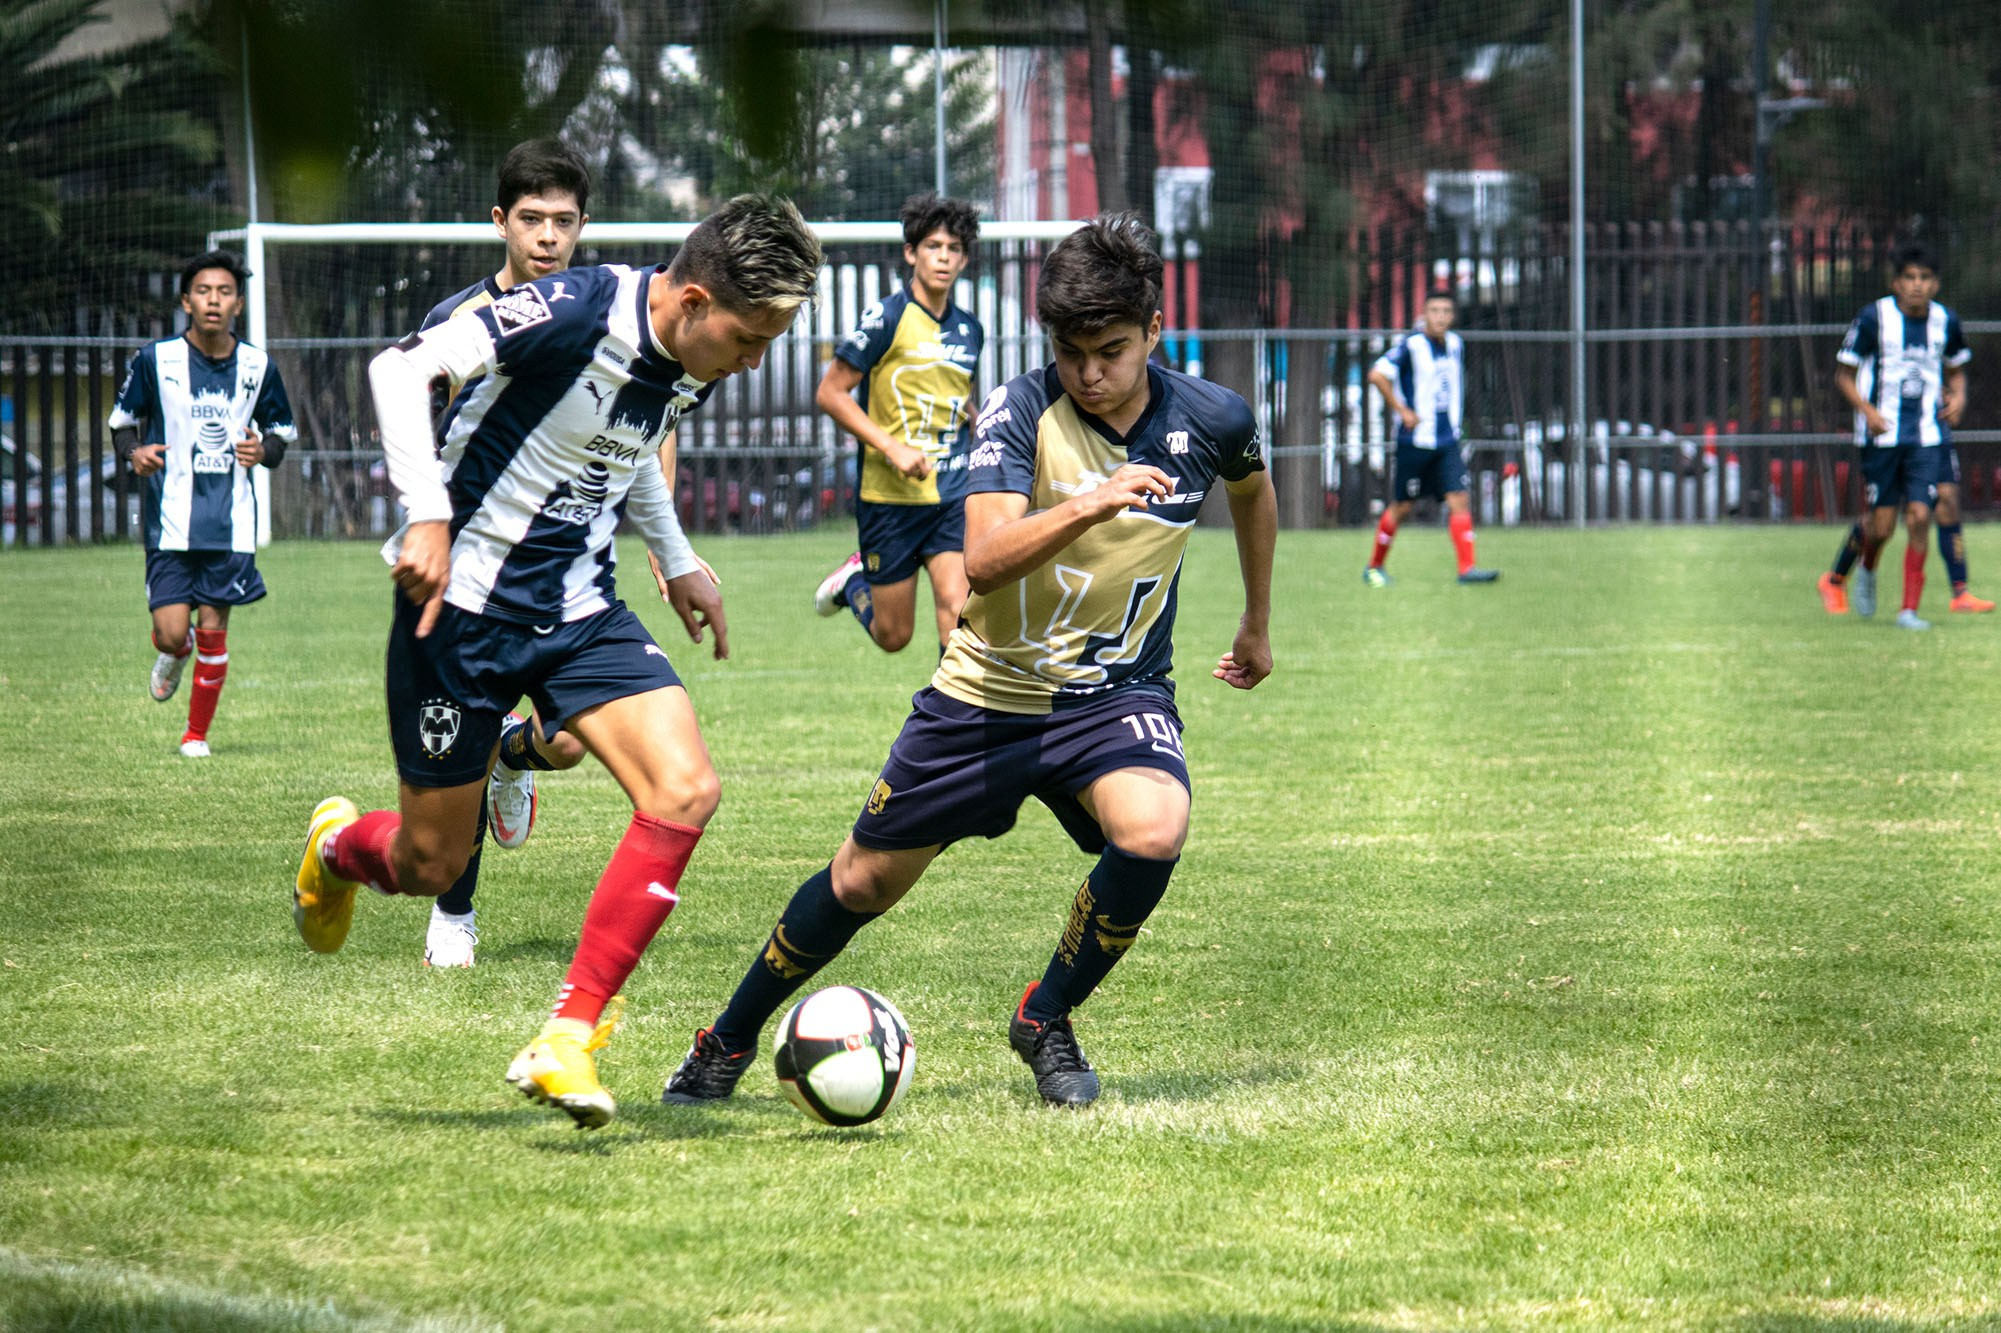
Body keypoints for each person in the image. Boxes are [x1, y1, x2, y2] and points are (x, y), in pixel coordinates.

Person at [663, 213, 1276, 1110]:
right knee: (861, 880)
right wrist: (1090, 501)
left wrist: (1255, 620)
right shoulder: (1019, 411)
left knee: (1153, 830)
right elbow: (981, 561)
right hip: (985, 696)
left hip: (1115, 695)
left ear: (1153, 330)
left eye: (1110, 351)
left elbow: (1253, 492)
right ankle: (726, 1038)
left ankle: (1045, 1017)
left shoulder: (1212, 416)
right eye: (1070, 353)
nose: (1090, 373)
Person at [292, 194, 824, 1130]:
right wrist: (427, 513)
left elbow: (628, 449)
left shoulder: (690, 358)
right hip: (458, 611)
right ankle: (337, 849)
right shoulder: (573, 309)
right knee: (429, 862)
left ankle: (568, 1034)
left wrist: (675, 556)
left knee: (685, 789)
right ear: (693, 301)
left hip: (579, 609)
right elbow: (398, 368)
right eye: (748, 339)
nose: (752, 361)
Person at [410, 138, 597, 968]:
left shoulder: (601, 316)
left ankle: (511, 757)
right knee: (456, 751)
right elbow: (411, 420)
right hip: (472, 566)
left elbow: (646, 420)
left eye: (563, 220)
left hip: (565, 563)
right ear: (500, 222)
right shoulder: (456, 321)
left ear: (581, 225)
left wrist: (664, 539)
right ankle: (454, 912)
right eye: (531, 219)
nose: (548, 236)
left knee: (568, 740)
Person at [109, 250, 296, 758]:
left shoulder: (258, 365)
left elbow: (280, 433)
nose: (214, 300)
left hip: (230, 524)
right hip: (169, 522)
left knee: (215, 626)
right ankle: (177, 650)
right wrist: (135, 453)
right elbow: (122, 423)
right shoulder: (156, 359)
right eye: (204, 291)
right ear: (186, 301)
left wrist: (263, 451)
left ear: (239, 303)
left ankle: (196, 736)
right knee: (172, 634)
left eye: (225, 292)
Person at [811, 193, 985, 653]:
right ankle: (853, 582)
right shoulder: (886, 317)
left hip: (951, 492)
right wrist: (892, 447)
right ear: (911, 253)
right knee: (894, 636)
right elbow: (830, 393)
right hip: (889, 498)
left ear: (964, 259)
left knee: (957, 611)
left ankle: (952, 702)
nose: (943, 257)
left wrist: (978, 418)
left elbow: (956, 390)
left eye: (953, 249)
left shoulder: (971, 329)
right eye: (933, 246)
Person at [1818, 240, 1981, 629]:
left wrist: (1958, 397)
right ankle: (1857, 572)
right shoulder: (1874, 318)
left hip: (1927, 434)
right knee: (1882, 526)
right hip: (1883, 435)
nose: (1917, 284)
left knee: (1922, 515)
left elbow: (1956, 369)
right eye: (1910, 277)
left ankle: (1909, 610)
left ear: (1935, 284)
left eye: (1925, 277)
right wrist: (1868, 411)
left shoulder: (1946, 320)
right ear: (1896, 283)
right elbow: (1844, 374)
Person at [1361, 288, 1498, 586]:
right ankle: (1374, 567)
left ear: (1452, 316)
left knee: (1459, 498)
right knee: (1403, 506)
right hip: (1415, 441)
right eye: (1434, 311)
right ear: (1424, 315)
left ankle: (1467, 569)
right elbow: (1377, 375)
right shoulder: (1411, 345)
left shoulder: (1455, 344)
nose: (1440, 317)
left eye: (1446, 311)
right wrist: (1402, 410)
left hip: (1447, 440)